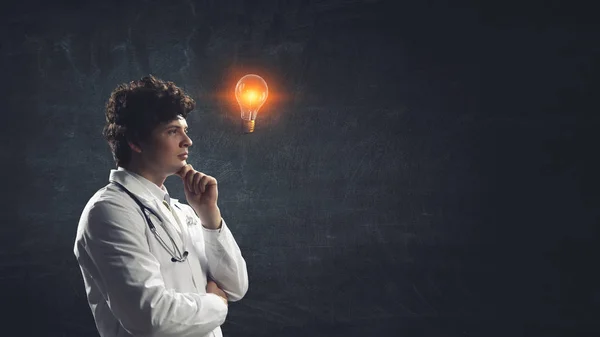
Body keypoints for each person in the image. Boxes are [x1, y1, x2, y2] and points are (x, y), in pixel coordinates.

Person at [73, 75, 248, 337]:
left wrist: (209, 217)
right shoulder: (109, 211)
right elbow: (151, 317)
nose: (187, 141)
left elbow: (235, 286)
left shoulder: (184, 211)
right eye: (172, 131)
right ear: (135, 141)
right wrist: (216, 305)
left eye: (185, 130)